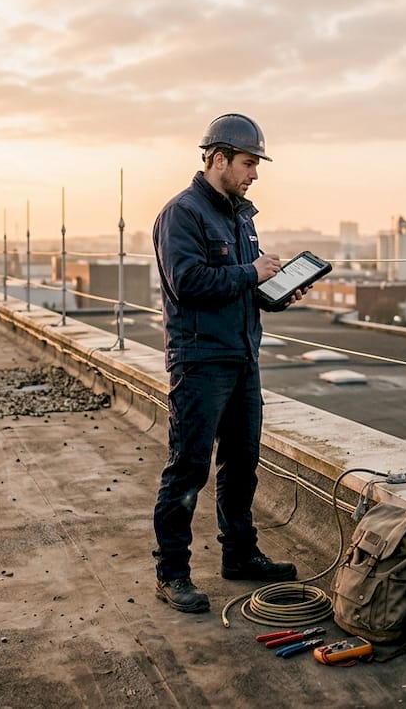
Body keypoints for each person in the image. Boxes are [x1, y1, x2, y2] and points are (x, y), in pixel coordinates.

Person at [152, 113, 304, 613]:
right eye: (247, 163)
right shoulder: (183, 214)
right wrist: (251, 271)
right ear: (218, 159)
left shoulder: (240, 217)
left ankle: (239, 554)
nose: (254, 174)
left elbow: (242, 288)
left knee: (241, 464)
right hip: (200, 362)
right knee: (188, 467)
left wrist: (277, 294)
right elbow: (188, 283)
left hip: (242, 358)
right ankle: (172, 573)